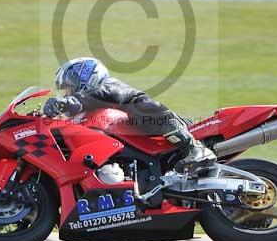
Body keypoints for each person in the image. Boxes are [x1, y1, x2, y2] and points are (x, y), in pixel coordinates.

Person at [43, 57, 216, 172]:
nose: (68, 94)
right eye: (66, 91)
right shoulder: (90, 111)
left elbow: (102, 93)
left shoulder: (110, 86)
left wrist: (72, 102)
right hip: (146, 146)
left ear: (88, 79)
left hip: (176, 126)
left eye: (70, 88)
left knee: (139, 108)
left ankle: (195, 148)